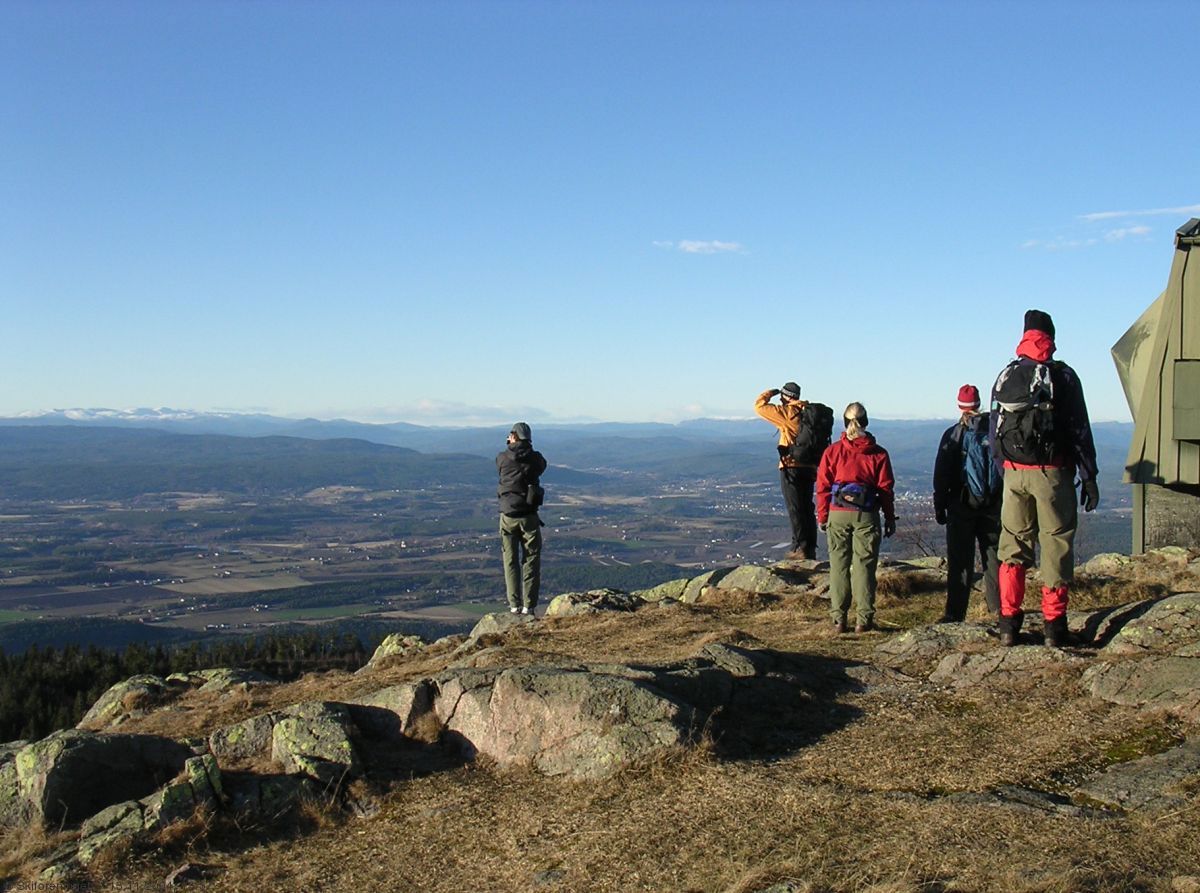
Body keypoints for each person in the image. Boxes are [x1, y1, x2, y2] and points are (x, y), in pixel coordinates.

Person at [990, 310, 1099, 647]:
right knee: (1055, 543)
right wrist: (1088, 475)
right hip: (1052, 473)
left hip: (1014, 474)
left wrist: (1004, 470)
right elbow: (1079, 429)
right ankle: (1054, 625)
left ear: (1024, 335)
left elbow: (994, 433)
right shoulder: (1063, 376)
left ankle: (1009, 623)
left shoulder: (1007, 375)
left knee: (1013, 545)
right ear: (1050, 337)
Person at [816, 403, 897, 633]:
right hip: (867, 515)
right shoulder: (879, 453)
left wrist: (823, 515)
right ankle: (864, 620)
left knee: (838, 566)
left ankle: (838, 620)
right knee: (864, 567)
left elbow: (822, 486)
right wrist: (889, 518)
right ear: (866, 421)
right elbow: (886, 490)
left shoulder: (833, 451)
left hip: (838, 513)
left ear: (844, 422)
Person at [932, 384, 1002, 622]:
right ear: (979, 403)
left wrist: (939, 505)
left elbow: (941, 474)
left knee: (960, 561)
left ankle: (955, 613)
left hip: (961, 504)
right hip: (993, 505)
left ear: (959, 405)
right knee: (993, 559)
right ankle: (999, 610)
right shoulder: (995, 431)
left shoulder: (953, 434)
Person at [754, 382, 825, 559]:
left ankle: (798, 548)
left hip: (791, 466)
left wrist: (770, 392)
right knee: (807, 507)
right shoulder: (808, 413)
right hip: (810, 467)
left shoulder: (787, 413)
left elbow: (759, 407)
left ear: (786, 396)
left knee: (795, 508)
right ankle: (809, 547)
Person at [496, 422, 547, 616]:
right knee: (531, 560)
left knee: (510, 560)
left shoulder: (502, 458)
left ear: (514, 436)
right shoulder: (535, 459)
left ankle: (514, 605)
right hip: (529, 517)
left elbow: (500, 468)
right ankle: (529, 606)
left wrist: (511, 445)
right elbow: (542, 465)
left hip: (507, 516)